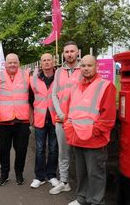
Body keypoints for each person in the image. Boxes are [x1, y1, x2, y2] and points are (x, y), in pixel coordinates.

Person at [64, 55, 116, 205]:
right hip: (77, 137)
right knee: (82, 173)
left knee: (95, 174)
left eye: (89, 65)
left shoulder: (106, 85)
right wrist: (69, 128)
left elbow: (108, 116)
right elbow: (69, 111)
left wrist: (95, 131)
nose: (86, 68)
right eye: (83, 66)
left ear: (96, 67)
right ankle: (82, 198)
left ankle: (96, 201)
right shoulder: (75, 87)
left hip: (95, 140)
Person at [0, 53, 31, 186]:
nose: (12, 65)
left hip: (22, 120)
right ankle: (4, 174)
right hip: (3, 121)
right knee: (3, 150)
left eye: (15, 62)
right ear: (5, 64)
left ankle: (19, 173)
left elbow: (34, 94)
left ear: (19, 63)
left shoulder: (27, 75)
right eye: (10, 62)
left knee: (21, 150)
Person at [50, 41, 81, 195]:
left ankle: (83, 188)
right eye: (67, 51)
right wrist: (61, 114)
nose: (69, 54)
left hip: (80, 121)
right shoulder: (58, 72)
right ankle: (64, 182)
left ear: (77, 53)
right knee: (63, 153)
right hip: (62, 120)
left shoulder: (84, 69)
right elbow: (54, 94)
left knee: (81, 155)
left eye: (72, 51)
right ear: (63, 54)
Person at [29, 53, 60, 189]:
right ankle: (40, 177)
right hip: (40, 119)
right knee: (40, 149)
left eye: (49, 60)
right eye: (44, 60)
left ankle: (52, 175)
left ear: (53, 62)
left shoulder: (60, 77)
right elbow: (30, 98)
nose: (47, 62)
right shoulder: (34, 79)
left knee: (54, 149)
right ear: (40, 63)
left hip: (55, 119)